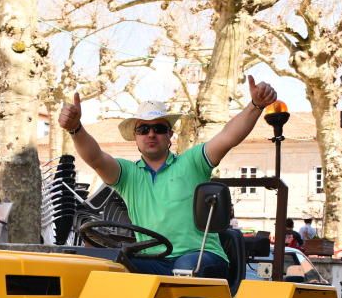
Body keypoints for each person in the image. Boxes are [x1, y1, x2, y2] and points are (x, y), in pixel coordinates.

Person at [57, 76, 277, 277]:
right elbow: (95, 158)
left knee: (186, 269)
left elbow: (228, 136)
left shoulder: (192, 162)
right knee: (104, 271)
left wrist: (256, 105)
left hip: (199, 256)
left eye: (159, 128)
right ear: (135, 136)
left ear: (170, 134)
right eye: (143, 129)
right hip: (154, 261)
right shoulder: (128, 175)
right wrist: (75, 128)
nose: (151, 134)